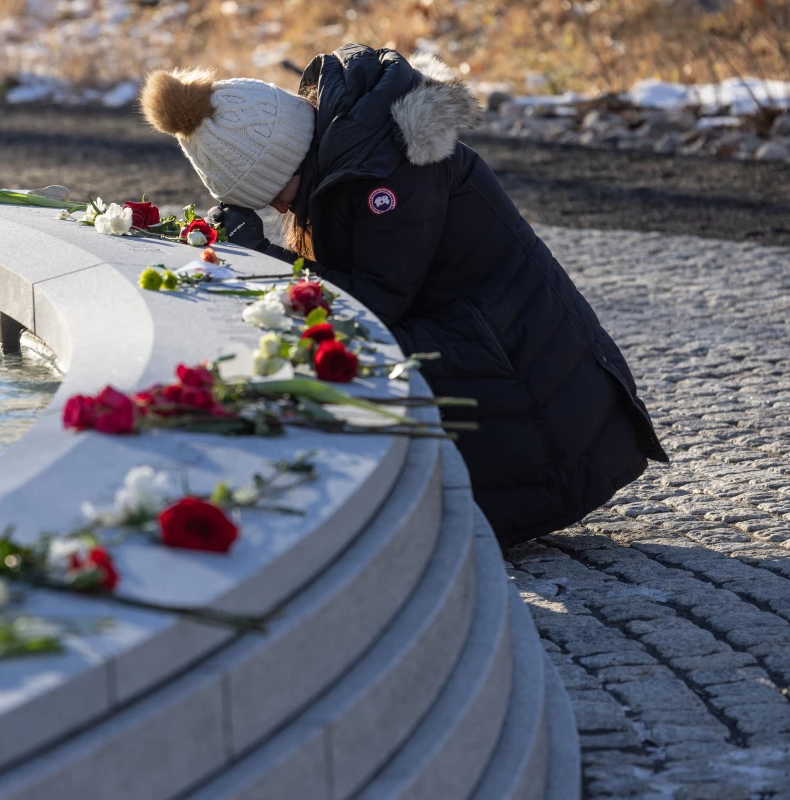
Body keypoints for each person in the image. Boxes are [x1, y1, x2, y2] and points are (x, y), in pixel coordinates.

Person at [139, 43, 668, 547]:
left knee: (335, 361)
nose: (280, 212)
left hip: (531, 390)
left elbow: (373, 305)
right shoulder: (350, 159)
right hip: (488, 349)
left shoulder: (388, 174)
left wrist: (266, 259)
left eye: (277, 196)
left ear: (290, 158)